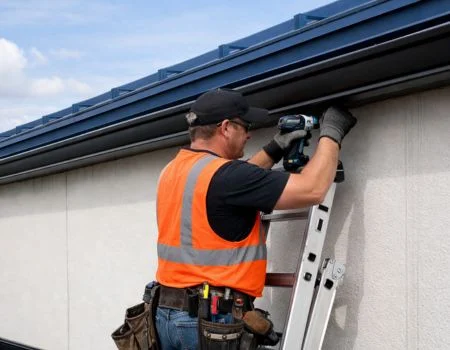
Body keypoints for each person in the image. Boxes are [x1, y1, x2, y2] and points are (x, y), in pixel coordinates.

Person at [154, 88, 356, 349]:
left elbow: (230, 183)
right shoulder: (227, 176)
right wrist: (332, 131)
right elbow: (313, 188)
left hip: (167, 314)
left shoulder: (173, 170)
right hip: (209, 321)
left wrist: (275, 148)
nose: (248, 134)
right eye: (244, 126)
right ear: (225, 128)